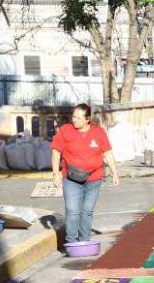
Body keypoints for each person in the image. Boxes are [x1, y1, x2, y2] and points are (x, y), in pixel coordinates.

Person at [50, 103, 120, 244]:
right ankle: (72, 242)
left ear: (87, 119)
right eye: (73, 117)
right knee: (73, 210)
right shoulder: (65, 131)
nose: (74, 120)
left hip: (93, 179)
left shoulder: (98, 132)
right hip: (71, 179)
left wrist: (115, 173)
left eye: (78, 118)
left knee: (87, 211)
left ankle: (84, 241)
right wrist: (55, 174)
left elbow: (108, 153)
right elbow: (56, 152)